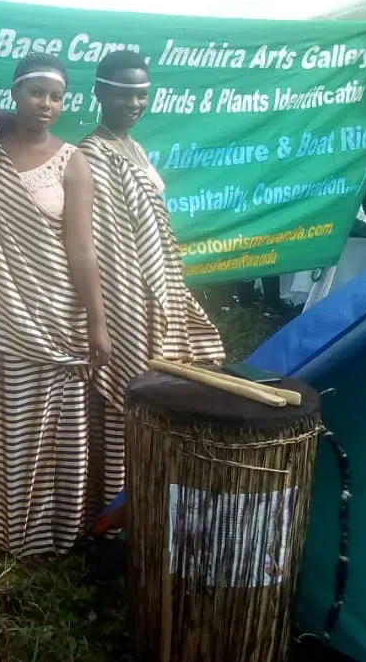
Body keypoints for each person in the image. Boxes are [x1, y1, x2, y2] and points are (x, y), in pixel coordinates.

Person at [0, 52, 111, 558]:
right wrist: (6, 121)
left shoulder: (73, 161)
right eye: (35, 93)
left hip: (55, 319)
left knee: (55, 431)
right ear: (14, 92)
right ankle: (3, 533)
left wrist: (97, 322)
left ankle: (52, 537)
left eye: (56, 96)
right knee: (0, 427)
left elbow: (83, 248)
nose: (46, 104)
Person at [76, 51, 225, 512]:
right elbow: (103, 241)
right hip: (127, 297)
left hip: (160, 286)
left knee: (173, 381)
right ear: (100, 92)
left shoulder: (133, 148)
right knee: (132, 393)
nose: (135, 102)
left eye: (142, 93)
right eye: (124, 92)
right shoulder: (91, 154)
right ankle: (121, 506)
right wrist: (117, 311)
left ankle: (153, 486)